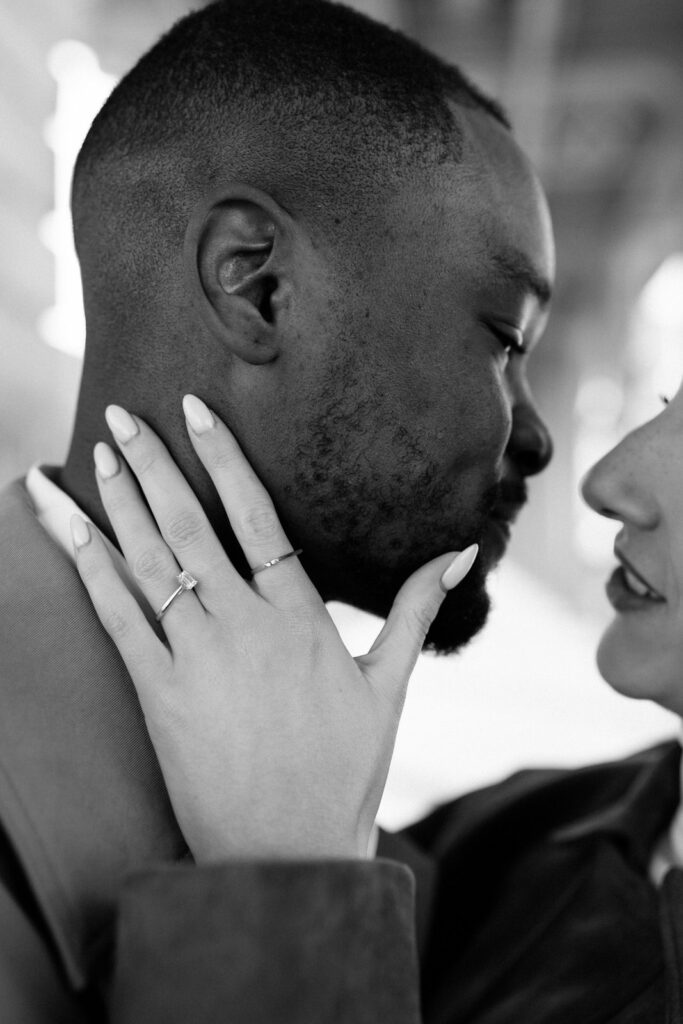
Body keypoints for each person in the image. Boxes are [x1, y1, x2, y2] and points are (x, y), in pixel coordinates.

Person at [0, 0, 558, 1019]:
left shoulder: (389, 875)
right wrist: (300, 905)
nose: (536, 437)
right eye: (505, 340)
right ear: (257, 286)